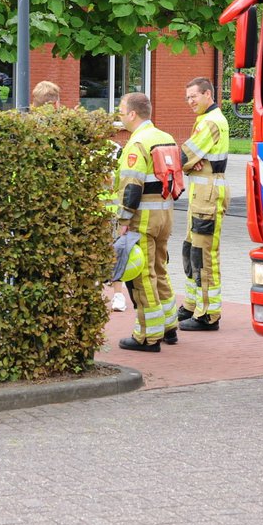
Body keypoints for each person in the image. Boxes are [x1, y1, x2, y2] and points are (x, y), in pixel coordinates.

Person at [112, 92, 180, 352]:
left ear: (132, 114)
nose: (119, 115)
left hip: (143, 218)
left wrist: (123, 220)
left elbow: (131, 186)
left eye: (121, 110)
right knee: (160, 270)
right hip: (165, 215)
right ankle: (169, 326)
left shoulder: (136, 143)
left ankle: (148, 337)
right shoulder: (166, 137)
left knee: (143, 276)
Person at [178, 77, 230, 331]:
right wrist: (191, 162)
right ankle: (191, 304)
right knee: (191, 249)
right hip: (200, 193)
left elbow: (184, 156)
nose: (190, 102)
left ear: (208, 94)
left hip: (208, 195)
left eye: (194, 96)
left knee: (204, 255)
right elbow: (190, 159)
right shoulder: (205, 120)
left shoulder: (211, 122)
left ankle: (208, 314)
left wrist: (189, 161)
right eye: (187, 97)